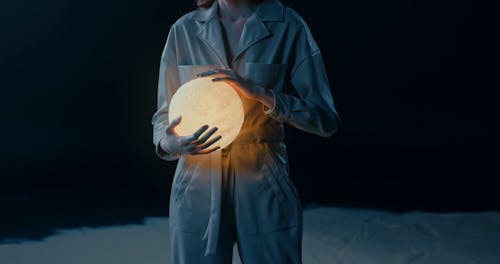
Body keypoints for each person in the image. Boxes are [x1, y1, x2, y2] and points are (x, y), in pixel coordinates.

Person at [150, 0, 340, 263]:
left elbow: (325, 118)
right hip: (197, 184)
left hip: (263, 181)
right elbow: (163, 115)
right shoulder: (183, 30)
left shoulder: (289, 26)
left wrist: (261, 94)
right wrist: (169, 143)